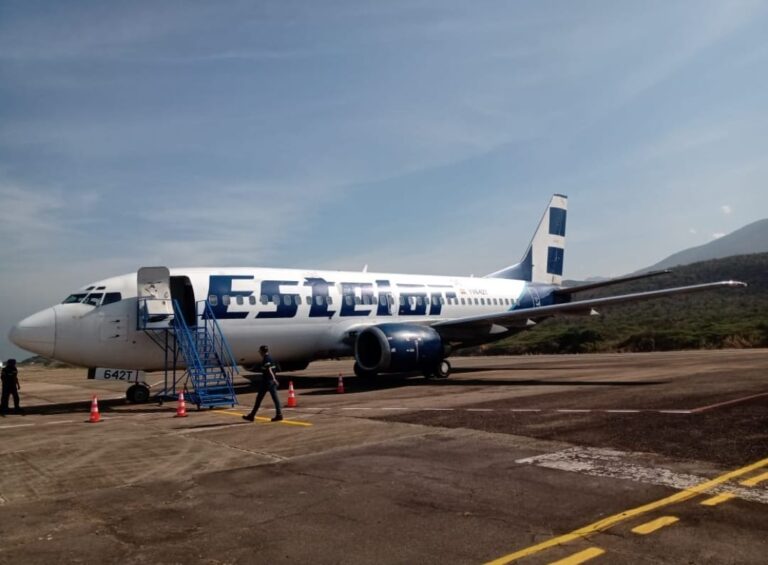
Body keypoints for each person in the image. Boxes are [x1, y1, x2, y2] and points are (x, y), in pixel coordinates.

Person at [243, 345, 283, 422]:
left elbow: (269, 369)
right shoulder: (271, 358)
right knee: (274, 399)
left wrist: (274, 379)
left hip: (268, 382)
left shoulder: (266, 359)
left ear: (261, 351)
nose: (259, 352)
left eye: (259, 351)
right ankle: (278, 415)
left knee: (260, 399)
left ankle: (252, 416)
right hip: (269, 382)